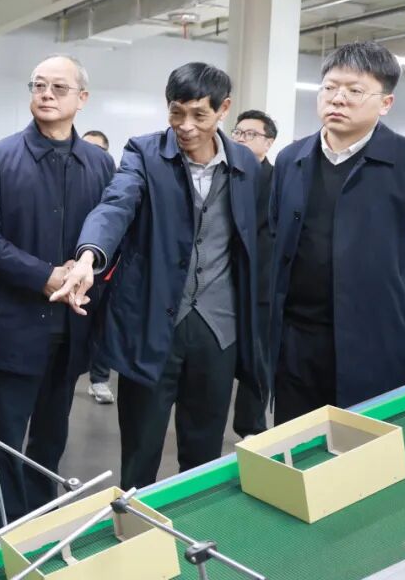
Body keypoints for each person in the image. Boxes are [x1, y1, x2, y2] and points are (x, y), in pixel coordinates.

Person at [52, 62, 265, 491]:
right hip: (152, 326)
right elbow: (116, 205)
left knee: (204, 451)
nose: (185, 126)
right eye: (176, 112)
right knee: (141, 449)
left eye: (199, 115)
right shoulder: (145, 153)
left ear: (223, 109)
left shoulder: (245, 164)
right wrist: (89, 256)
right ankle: (134, 525)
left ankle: (194, 526)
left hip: (218, 330)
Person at [268, 42, 405, 424]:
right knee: (297, 437)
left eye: (354, 90)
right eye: (330, 87)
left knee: (365, 441)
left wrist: (393, 286)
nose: (338, 98)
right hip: (297, 338)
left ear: (385, 103)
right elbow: (277, 234)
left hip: (377, 337)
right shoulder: (291, 158)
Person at [0, 55, 115, 533]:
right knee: (4, 443)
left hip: (71, 328)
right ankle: (1, 541)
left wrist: (84, 274)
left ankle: (41, 534)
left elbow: (111, 233)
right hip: (13, 326)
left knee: (50, 443)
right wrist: (46, 276)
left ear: (82, 98)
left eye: (59, 87)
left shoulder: (99, 163)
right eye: (38, 85)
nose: (46, 94)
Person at [229, 109, 278, 437]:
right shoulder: (227, 174)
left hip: (261, 283)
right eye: (238, 132)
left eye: (250, 134)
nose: (241, 139)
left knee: (259, 358)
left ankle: (252, 427)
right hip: (224, 279)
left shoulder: (279, 179)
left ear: (268, 142)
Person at [79, 129, 116, 405]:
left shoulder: (115, 182)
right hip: (73, 267)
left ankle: (99, 379)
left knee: (103, 325)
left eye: (98, 149)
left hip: (106, 270)